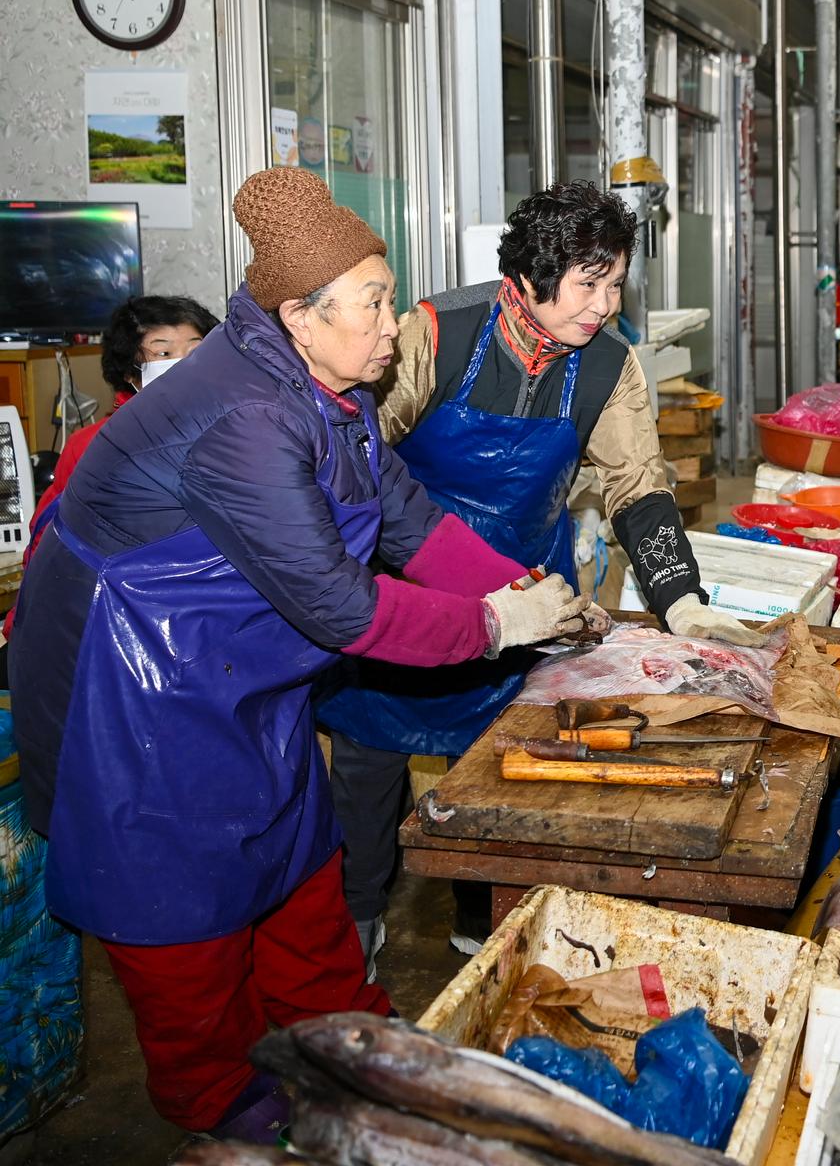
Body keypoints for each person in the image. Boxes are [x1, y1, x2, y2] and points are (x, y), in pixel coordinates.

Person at [7, 168, 591, 1141]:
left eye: (388, 295)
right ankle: (233, 1121)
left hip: (239, 678)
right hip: (136, 702)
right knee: (186, 944)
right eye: (373, 303)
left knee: (298, 873)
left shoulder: (335, 388)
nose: (394, 321)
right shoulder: (246, 416)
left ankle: (354, 1054)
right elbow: (343, 609)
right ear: (296, 314)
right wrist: (495, 629)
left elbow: (410, 521)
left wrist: (517, 587)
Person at [317, 180, 762, 966]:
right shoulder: (434, 334)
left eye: (615, 281)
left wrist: (681, 600)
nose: (604, 303)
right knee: (367, 757)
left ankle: (481, 919)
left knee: (501, 772)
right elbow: (359, 457)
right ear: (528, 276)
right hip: (407, 581)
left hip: (531, 594)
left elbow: (638, 484)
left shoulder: (607, 367)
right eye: (588, 283)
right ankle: (359, 922)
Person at [4, 296, 217, 640]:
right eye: (163, 354)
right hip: (114, 622)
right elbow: (52, 540)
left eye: (196, 351)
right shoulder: (94, 444)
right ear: (131, 372)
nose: (183, 364)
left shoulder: (236, 434)